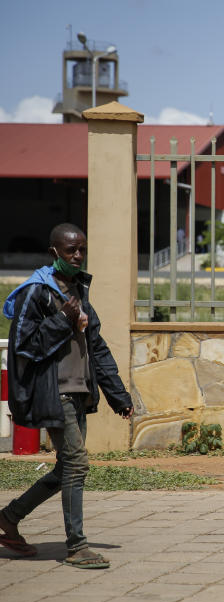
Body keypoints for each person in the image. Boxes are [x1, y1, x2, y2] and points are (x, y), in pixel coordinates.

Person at [0, 223, 133, 569]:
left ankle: (9, 517)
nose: (77, 255)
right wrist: (62, 319)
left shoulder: (78, 290)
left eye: (82, 249)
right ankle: (77, 547)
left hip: (79, 392)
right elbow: (24, 346)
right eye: (70, 250)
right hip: (52, 391)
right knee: (77, 463)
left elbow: (97, 346)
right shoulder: (36, 292)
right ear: (53, 253)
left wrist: (118, 396)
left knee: (65, 469)